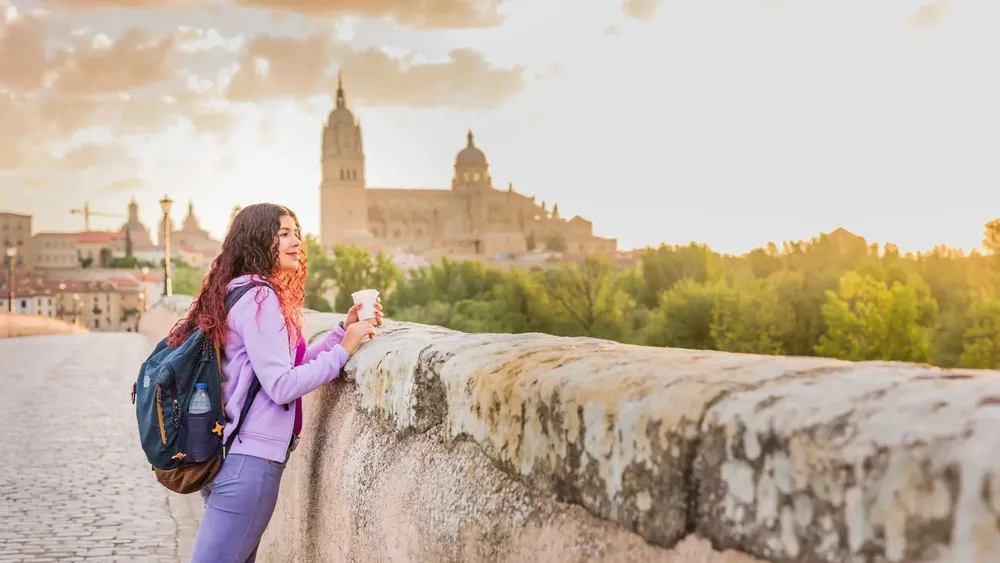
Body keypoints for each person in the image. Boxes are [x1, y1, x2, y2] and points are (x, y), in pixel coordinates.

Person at [170, 203, 382, 562]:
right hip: (248, 464)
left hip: (228, 456)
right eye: (284, 234)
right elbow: (282, 385)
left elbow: (285, 367)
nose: (296, 241)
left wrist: (340, 334)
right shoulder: (260, 297)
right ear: (258, 241)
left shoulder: (236, 290)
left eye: (296, 233)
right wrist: (345, 350)